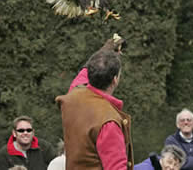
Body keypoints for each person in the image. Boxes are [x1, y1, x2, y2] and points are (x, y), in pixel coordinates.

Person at [56, 34, 134, 170]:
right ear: (115, 80)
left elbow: (84, 74)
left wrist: (103, 53)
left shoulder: (73, 97)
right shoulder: (108, 121)